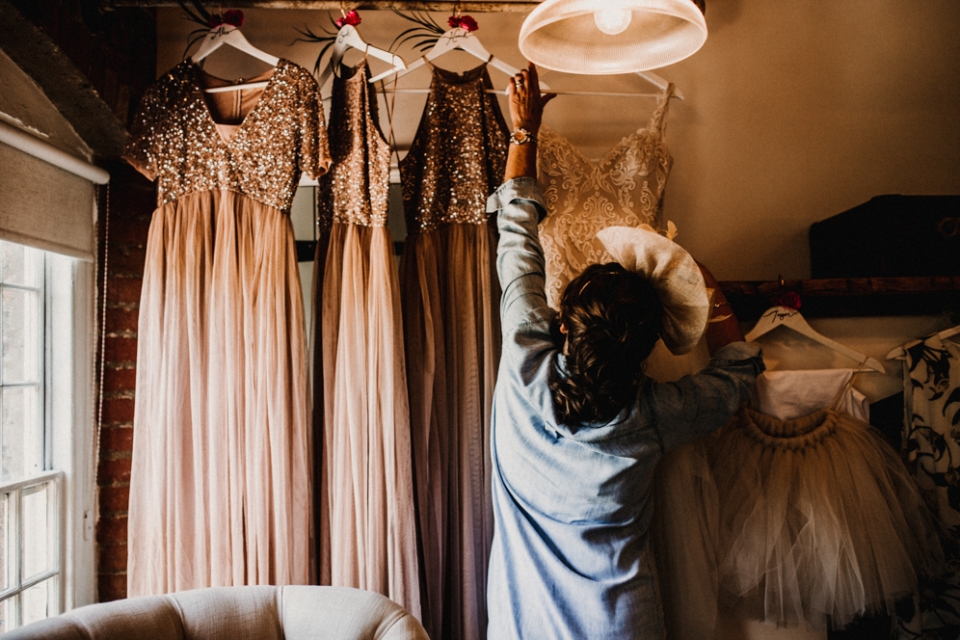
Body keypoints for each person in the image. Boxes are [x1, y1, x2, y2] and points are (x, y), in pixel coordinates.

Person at [485, 63, 765, 639]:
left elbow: (515, 229)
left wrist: (524, 130)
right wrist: (706, 287)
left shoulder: (523, 363)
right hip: (621, 625)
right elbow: (739, 374)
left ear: (562, 326)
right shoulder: (654, 415)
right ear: (644, 350)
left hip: (522, 625)